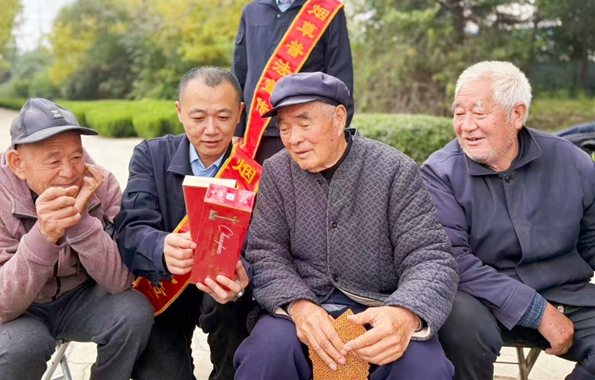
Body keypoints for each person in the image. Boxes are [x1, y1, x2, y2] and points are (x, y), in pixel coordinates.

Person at [234, 72, 458, 380]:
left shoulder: (394, 169)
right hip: (301, 306)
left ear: (339, 118)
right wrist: (299, 306)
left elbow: (430, 257)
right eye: (284, 127)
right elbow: (265, 252)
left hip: (381, 306)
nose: (293, 138)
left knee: (423, 368)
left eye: (303, 123)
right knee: (267, 354)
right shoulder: (277, 171)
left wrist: (404, 314)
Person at [421, 61, 595, 380]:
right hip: (482, 301)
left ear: (517, 115)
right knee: (456, 323)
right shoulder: (439, 173)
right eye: (459, 113)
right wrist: (537, 311)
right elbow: (452, 260)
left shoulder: (573, 161)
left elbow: (592, 242)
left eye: (479, 113)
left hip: (565, 293)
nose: (466, 126)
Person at [0, 98, 153, 380]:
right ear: (18, 163)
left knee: (134, 312)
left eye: (76, 157)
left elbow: (119, 281)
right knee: (23, 345)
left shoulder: (100, 183)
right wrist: (45, 235)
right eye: (53, 161)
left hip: (75, 298)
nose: (70, 172)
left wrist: (80, 219)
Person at [115, 67, 253, 380]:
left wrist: (242, 273)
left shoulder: (253, 170)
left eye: (223, 116)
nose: (211, 129)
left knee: (240, 344)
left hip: (225, 298)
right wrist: (160, 248)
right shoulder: (151, 156)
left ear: (239, 113)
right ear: (179, 112)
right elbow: (130, 229)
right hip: (163, 287)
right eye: (198, 117)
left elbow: (266, 244)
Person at [232, 0, 354, 162]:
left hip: (307, 138)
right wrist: (237, 128)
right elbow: (239, 74)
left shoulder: (327, 13)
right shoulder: (251, 12)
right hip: (256, 138)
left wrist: (337, 135)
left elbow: (341, 80)